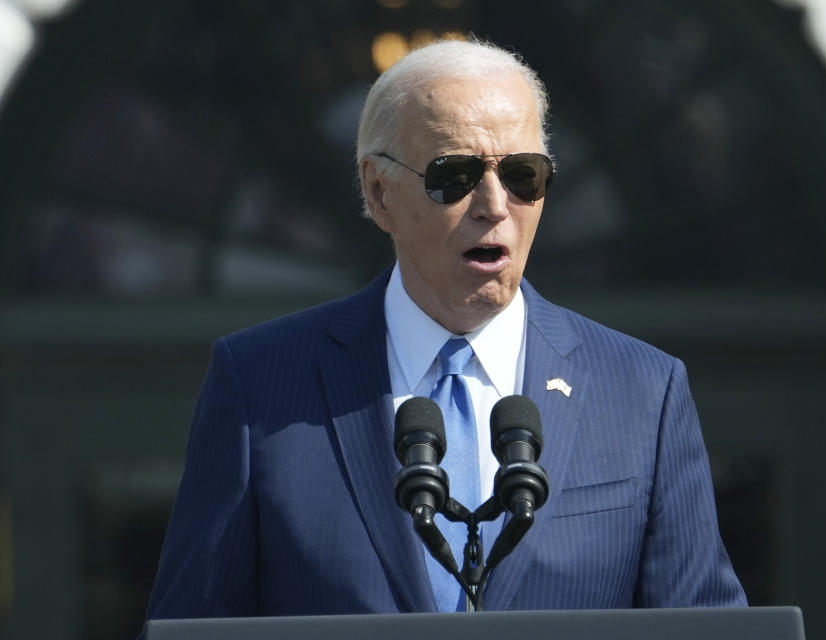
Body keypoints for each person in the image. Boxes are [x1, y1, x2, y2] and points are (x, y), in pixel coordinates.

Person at [143, 38, 746, 623]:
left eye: (522, 175)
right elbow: (193, 626)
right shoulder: (259, 385)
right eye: (454, 176)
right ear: (379, 192)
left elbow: (705, 625)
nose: (494, 204)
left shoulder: (644, 392)